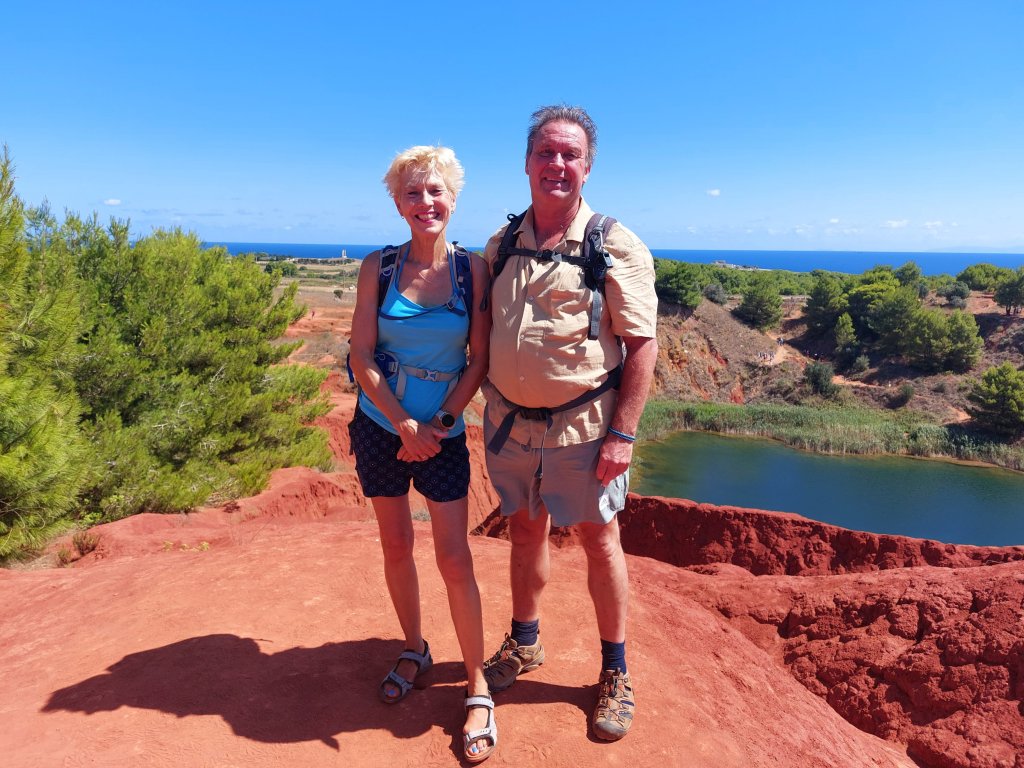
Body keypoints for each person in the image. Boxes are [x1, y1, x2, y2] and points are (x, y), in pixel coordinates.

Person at [480, 106, 658, 741]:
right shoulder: (501, 244)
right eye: (546, 153)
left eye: (570, 155)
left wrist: (623, 435)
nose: (557, 164)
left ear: (588, 167)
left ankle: (615, 670)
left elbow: (641, 346)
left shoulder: (615, 245)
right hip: (510, 426)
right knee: (525, 532)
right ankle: (524, 642)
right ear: (527, 163)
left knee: (598, 540)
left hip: (585, 430)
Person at [347, 145, 496, 762]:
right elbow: (360, 355)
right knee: (395, 545)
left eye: (436, 191)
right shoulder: (377, 267)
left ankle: (478, 683)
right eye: (412, 192)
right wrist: (402, 422)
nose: (425, 202)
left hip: (443, 433)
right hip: (380, 426)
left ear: (453, 199)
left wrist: (437, 423)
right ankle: (415, 647)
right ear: (397, 202)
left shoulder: (472, 271)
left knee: (454, 558)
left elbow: (478, 360)